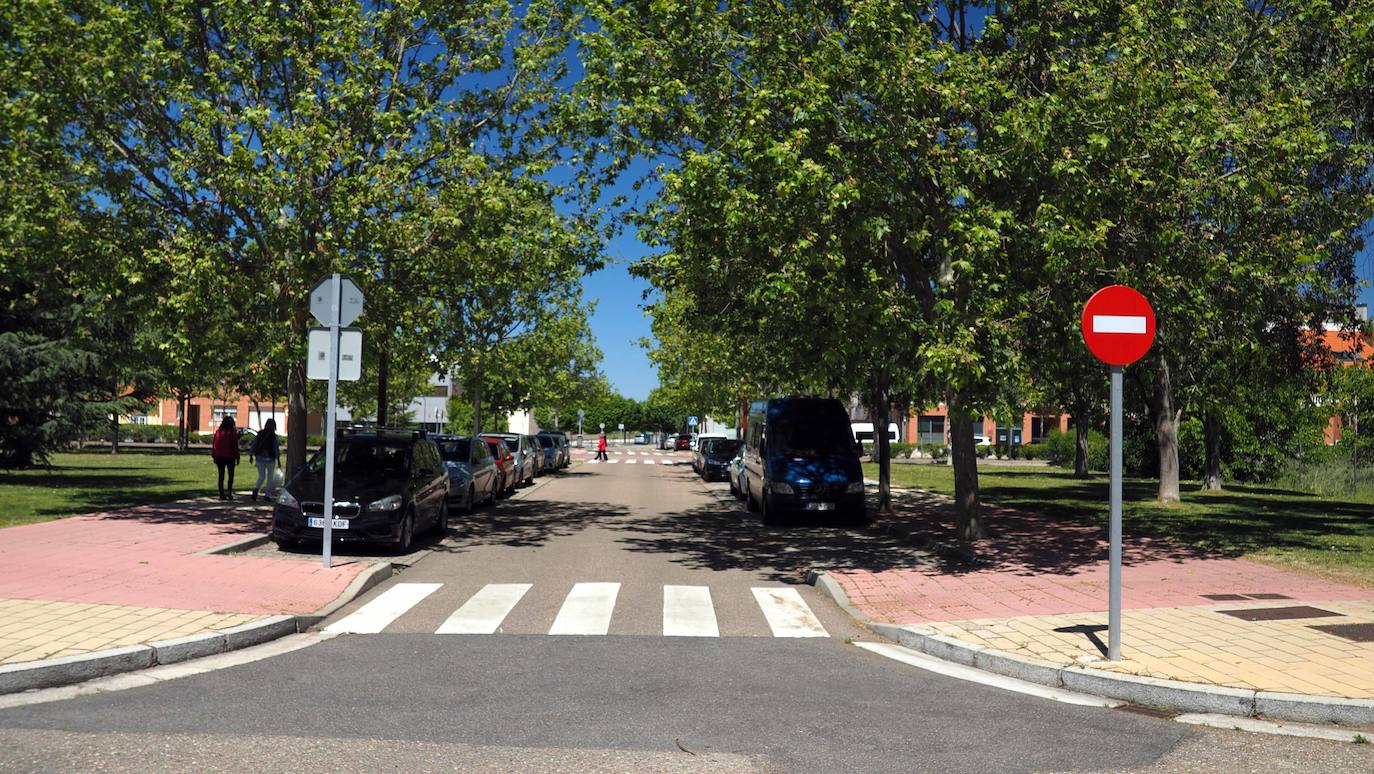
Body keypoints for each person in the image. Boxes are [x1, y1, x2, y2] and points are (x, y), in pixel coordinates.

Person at [249, 418, 281, 502]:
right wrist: (278, 459)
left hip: (259, 458)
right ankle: (267, 495)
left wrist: (251, 455)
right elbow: (275, 449)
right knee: (270, 477)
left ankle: (256, 489)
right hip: (270, 458)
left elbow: (254, 445)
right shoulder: (274, 436)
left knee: (261, 476)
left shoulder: (260, 434)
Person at [211, 416, 242, 501]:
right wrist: (237, 457)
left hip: (219, 456)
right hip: (230, 456)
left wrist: (214, 455)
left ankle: (221, 493)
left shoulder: (219, 432)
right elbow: (235, 446)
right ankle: (229, 492)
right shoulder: (232, 433)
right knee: (230, 475)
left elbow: (215, 444)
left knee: (221, 476)